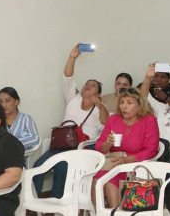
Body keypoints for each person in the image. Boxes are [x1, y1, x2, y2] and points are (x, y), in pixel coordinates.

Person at [31, 44, 110, 199]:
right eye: (87, 83)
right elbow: (67, 76)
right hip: (62, 144)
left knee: (62, 167)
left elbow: (105, 123)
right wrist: (72, 57)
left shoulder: (100, 108)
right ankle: (32, 201)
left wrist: (100, 105)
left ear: (98, 93)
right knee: (38, 166)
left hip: (82, 148)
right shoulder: (74, 97)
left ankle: (57, 203)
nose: (88, 86)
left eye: (93, 85)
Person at [93, 88, 160, 216]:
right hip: (114, 162)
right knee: (99, 177)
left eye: (129, 103)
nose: (124, 106)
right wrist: (107, 143)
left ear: (139, 105)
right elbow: (99, 146)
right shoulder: (113, 119)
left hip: (137, 166)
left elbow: (151, 150)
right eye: (122, 102)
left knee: (109, 177)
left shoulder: (149, 120)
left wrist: (126, 160)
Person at [0, 87, 40, 152]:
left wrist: (9, 144)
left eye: (7, 100)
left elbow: (35, 139)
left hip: (21, 157)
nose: (3, 105)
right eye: (0, 101)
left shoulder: (26, 119)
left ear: (16, 102)